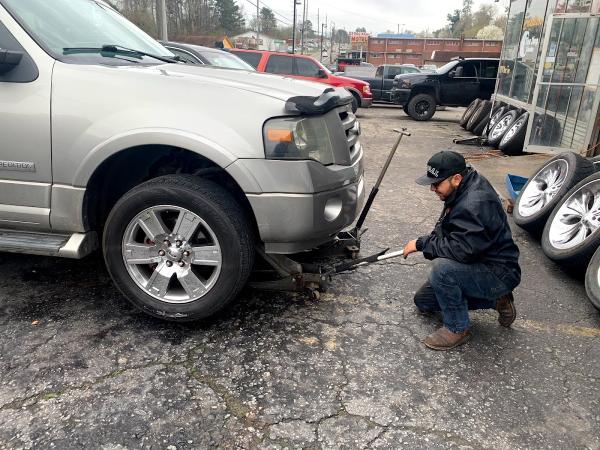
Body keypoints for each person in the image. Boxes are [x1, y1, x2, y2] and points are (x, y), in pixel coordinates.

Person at [403, 150, 521, 351]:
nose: (432, 189)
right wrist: (430, 240)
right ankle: (497, 299)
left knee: (442, 269)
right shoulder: (464, 184)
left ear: (456, 178)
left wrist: (422, 244)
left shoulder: (474, 203)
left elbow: (462, 250)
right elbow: (448, 230)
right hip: (479, 261)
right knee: (423, 301)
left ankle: (457, 328)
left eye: (437, 183)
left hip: (498, 271)